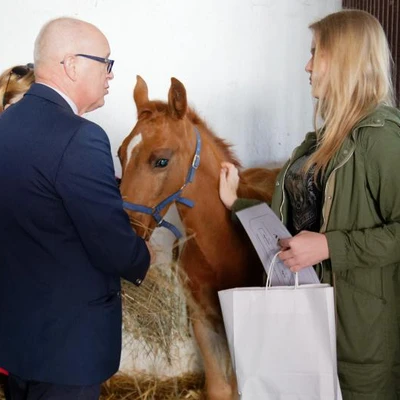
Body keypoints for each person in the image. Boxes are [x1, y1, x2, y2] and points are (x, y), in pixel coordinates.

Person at [219, 9, 400, 399]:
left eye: (317, 52)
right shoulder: (319, 141)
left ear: (347, 59)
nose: (307, 65)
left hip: (359, 338)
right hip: (309, 320)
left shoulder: (381, 139)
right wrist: (236, 202)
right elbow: (301, 217)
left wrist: (329, 246)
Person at [0, 17, 152, 400]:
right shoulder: (80, 136)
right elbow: (110, 243)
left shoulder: (7, 124)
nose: (110, 74)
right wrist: (142, 256)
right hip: (66, 350)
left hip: (16, 343)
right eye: (105, 62)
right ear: (70, 64)